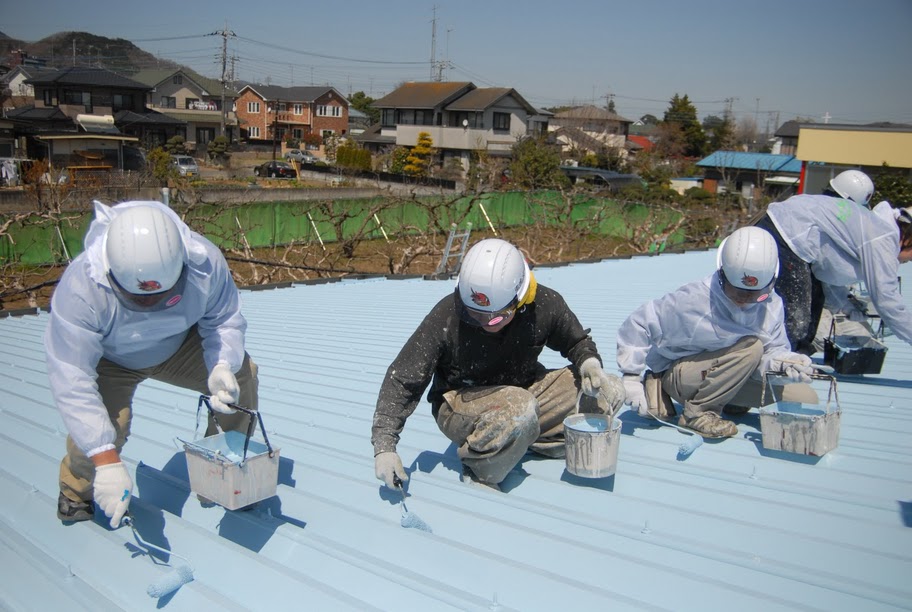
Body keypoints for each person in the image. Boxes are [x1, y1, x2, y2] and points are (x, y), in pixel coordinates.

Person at [45, 200, 258, 527]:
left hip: (177, 346)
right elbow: (72, 380)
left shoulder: (205, 262)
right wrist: (106, 460)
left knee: (242, 376)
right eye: (137, 298)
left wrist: (221, 365)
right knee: (109, 427)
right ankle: (77, 489)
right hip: (113, 358)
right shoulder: (81, 289)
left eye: (161, 297)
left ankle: (223, 466)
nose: (148, 305)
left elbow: (223, 321)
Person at [372, 238, 624, 491]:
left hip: (523, 391)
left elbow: (576, 342)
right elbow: (402, 379)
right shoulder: (446, 316)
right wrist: (385, 446)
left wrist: (589, 363)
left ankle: (523, 438)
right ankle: (481, 468)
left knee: (608, 389)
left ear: (522, 297)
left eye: (494, 318)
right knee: (520, 407)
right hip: (460, 401)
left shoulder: (544, 305)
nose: (483, 323)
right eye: (473, 313)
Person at [616, 226, 817, 438]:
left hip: (729, 374)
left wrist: (782, 364)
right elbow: (639, 323)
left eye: (754, 295)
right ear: (722, 276)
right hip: (680, 375)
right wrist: (631, 377)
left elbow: (771, 351)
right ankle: (697, 414)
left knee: (804, 397)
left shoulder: (771, 305)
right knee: (751, 347)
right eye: (736, 292)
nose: (744, 300)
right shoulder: (693, 301)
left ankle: (724, 400)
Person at [755, 185, 912, 354]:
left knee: (808, 312)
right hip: (789, 234)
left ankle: (792, 357)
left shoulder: (872, 226)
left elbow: (827, 273)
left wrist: (847, 306)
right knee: (796, 322)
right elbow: (888, 301)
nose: (909, 261)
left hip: (785, 229)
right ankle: (779, 365)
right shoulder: (883, 238)